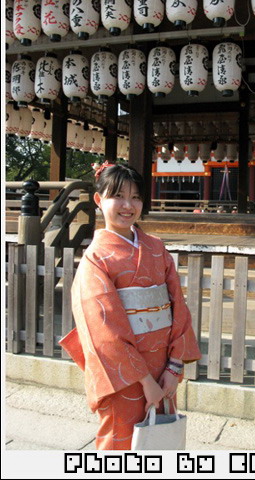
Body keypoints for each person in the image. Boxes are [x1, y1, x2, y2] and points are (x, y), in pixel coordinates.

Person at [59, 162, 201, 450]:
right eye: (118, 196)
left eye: (136, 197)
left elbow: (178, 308)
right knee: (120, 441)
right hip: (123, 376)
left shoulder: (156, 248)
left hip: (163, 368)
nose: (128, 205)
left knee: (157, 444)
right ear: (99, 201)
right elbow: (104, 330)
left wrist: (173, 369)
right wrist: (146, 382)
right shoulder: (96, 259)